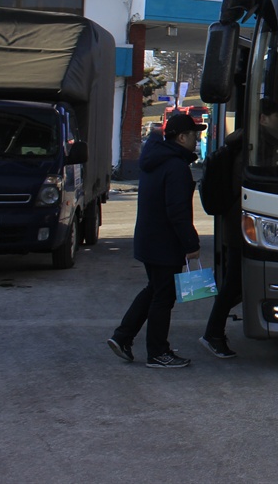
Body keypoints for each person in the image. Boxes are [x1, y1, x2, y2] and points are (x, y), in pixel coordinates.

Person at [108, 112, 203, 368]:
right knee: (163, 297)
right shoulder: (175, 167)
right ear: (182, 137)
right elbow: (177, 211)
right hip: (164, 244)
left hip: (150, 240)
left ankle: (123, 336)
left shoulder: (155, 160)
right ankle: (157, 352)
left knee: (154, 290)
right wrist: (191, 244)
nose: (198, 139)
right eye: (195, 135)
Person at [199, 127, 244, 359]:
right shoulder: (245, 153)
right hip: (240, 231)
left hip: (235, 229)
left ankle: (214, 333)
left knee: (233, 285)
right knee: (232, 285)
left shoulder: (234, 148)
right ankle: (213, 334)